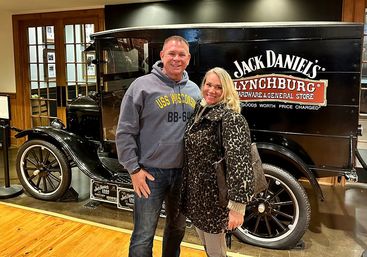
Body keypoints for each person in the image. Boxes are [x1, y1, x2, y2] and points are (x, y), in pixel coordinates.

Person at [115, 35, 201, 257]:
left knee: (177, 229)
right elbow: (125, 131)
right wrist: (133, 170)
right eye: (171, 53)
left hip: (183, 174)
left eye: (182, 54)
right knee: (143, 235)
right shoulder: (141, 87)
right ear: (162, 55)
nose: (176, 58)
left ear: (188, 58)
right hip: (150, 174)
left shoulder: (194, 90)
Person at [180, 67, 255, 257]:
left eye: (218, 87)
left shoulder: (231, 119)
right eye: (208, 84)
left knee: (216, 252)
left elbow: (241, 165)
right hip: (197, 198)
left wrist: (237, 208)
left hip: (215, 202)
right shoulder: (201, 109)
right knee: (207, 247)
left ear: (227, 90)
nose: (211, 90)